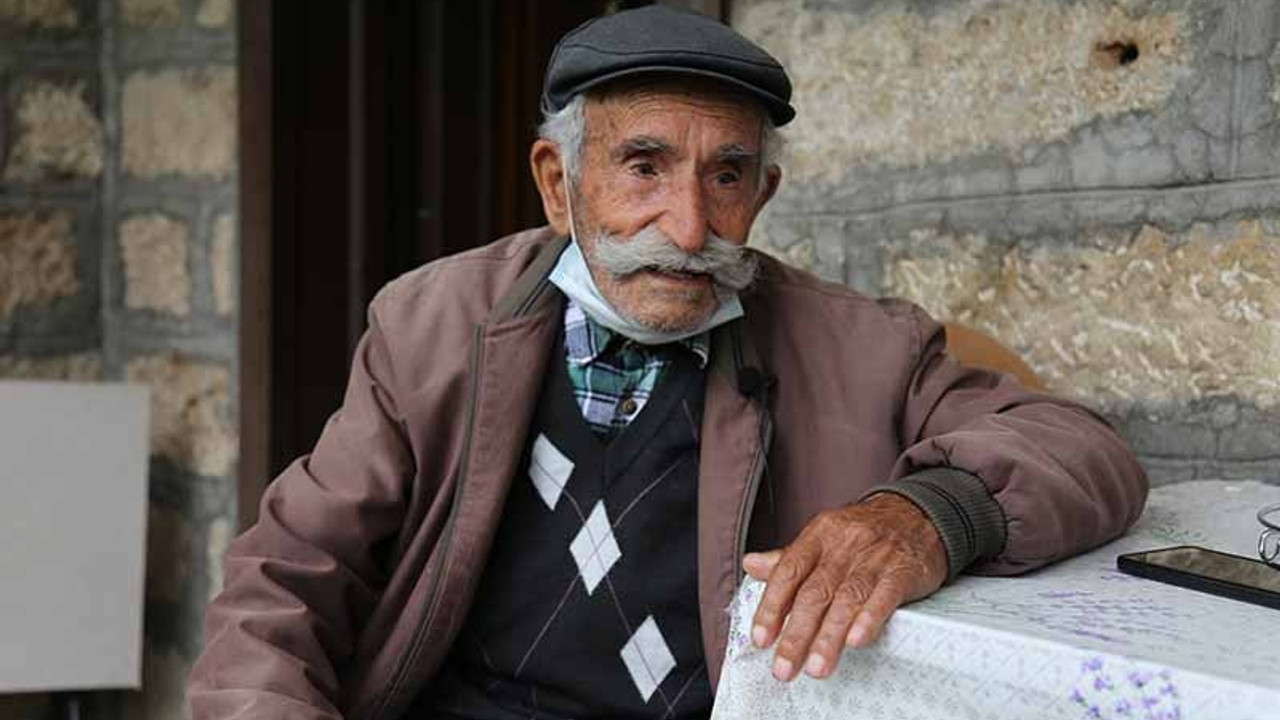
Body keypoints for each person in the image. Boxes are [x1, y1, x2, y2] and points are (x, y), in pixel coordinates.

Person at [189, 6, 1148, 720]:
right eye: (643, 167)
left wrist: (925, 513)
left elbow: (1084, 449)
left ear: (761, 194)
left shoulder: (867, 346)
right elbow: (285, 573)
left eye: (725, 175)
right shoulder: (432, 323)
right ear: (558, 185)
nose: (688, 228)